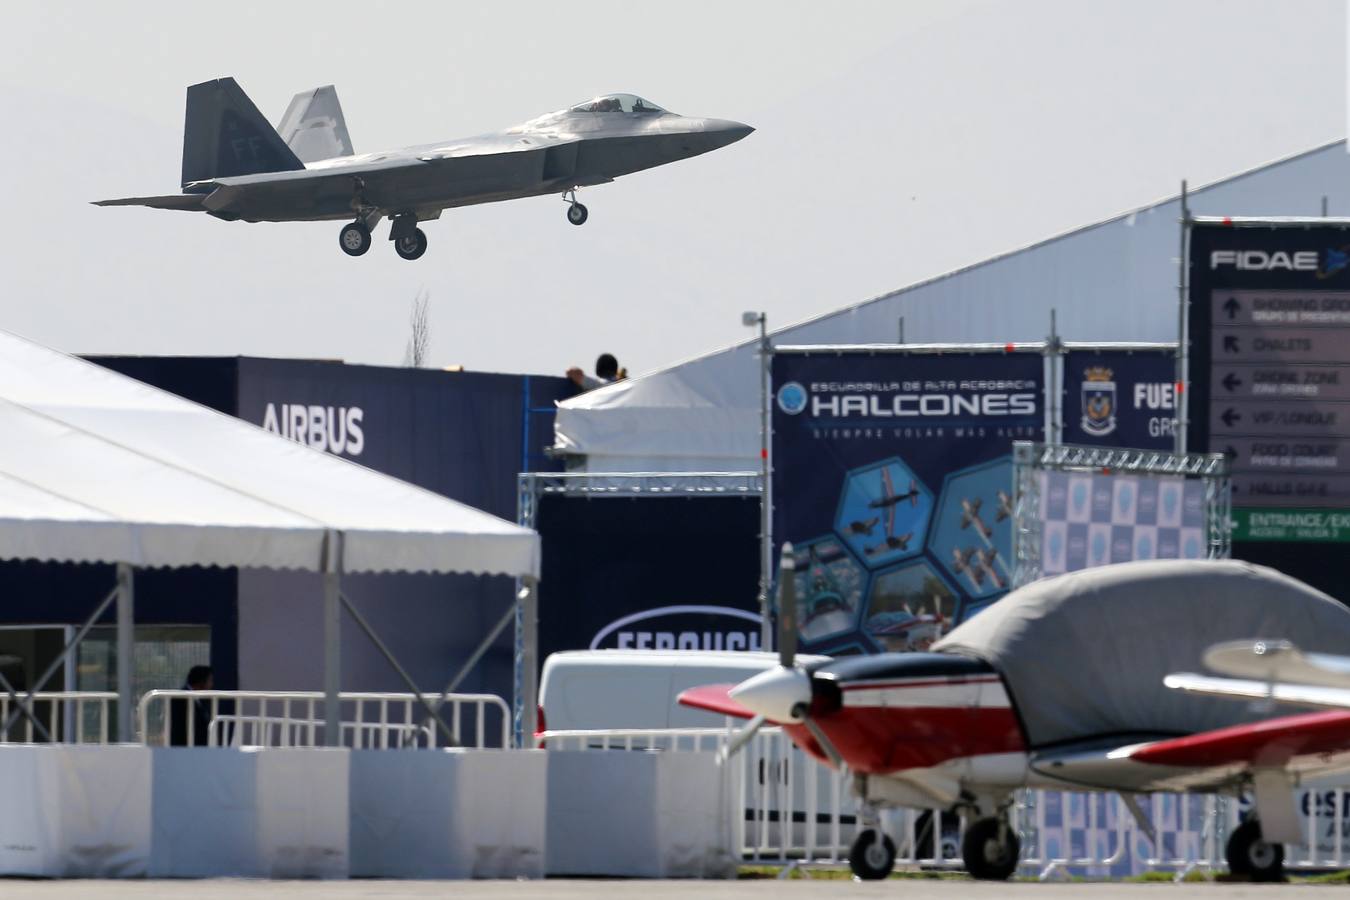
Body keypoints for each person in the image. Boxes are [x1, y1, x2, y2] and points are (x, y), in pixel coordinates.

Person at [168, 665, 215, 747]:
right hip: (185, 750)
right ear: (201, 682)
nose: (211, 684)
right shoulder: (180, 699)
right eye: (209, 681)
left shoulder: (201, 699)